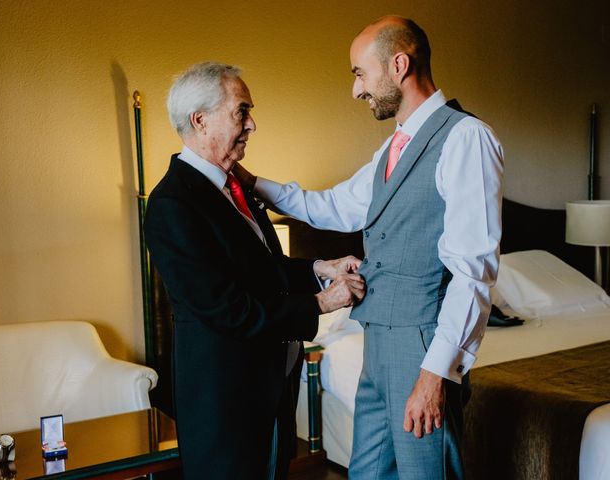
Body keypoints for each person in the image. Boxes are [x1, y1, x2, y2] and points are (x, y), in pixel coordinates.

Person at [235, 15, 504, 480]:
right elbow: (335, 207)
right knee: (366, 473)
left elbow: (473, 270)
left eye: (360, 73)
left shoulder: (466, 139)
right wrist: (252, 183)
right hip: (376, 342)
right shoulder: (393, 149)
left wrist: (436, 373)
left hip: (421, 343)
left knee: (426, 473)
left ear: (399, 64)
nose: (356, 90)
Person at [143, 62, 366, 480]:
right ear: (200, 120)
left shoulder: (235, 187)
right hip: (226, 399)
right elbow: (227, 309)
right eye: (241, 111)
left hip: (272, 389)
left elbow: (265, 268)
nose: (252, 124)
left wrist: (322, 267)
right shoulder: (173, 204)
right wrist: (321, 302)